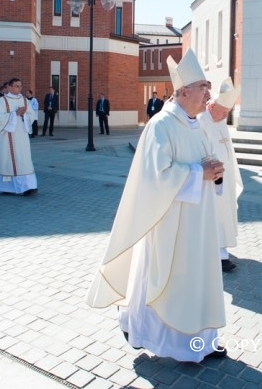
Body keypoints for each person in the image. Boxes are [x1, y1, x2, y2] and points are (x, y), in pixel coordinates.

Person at [87, 48, 228, 363]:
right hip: (169, 221)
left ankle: (203, 339)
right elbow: (155, 177)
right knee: (168, 278)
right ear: (182, 91)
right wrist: (198, 173)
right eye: (203, 86)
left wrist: (216, 174)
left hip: (199, 222)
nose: (208, 92)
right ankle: (159, 338)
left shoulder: (197, 123)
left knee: (199, 277)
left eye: (208, 85)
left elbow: (206, 162)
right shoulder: (161, 125)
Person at [198, 77, 243, 273]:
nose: (226, 116)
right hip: (211, 179)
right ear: (212, 105)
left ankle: (222, 250)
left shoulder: (220, 120)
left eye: (228, 113)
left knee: (225, 212)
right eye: (224, 112)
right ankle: (219, 255)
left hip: (226, 178)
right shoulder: (201, 121)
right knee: (214, 215)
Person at [0, 78, 37, 196]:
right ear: (9, 87)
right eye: (16, 86)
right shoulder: (3, 101)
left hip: (21, 136)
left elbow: (32, 116)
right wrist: (15, 114)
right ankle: (7, 187)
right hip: (8, 136)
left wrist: (24, 115)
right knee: (8, 160)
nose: (19, 88)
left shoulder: (25, 100)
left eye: (20, 86)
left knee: (24, 160)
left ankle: (28, 186)